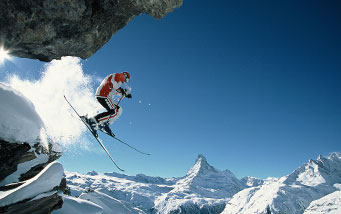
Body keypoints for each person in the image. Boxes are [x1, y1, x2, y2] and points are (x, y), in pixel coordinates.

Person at [81, 71, 132, 137]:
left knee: (119, 110)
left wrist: (125, 94)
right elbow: (113, 83)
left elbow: (115, 90)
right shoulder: (117, 76)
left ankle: (104, 124)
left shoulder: (119, 82)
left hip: (107, 97)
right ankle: (92, 121)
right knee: (113, 111)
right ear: (124, 76)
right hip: (102, 95)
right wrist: (121, 90)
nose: (125, 81)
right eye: (126, 79)